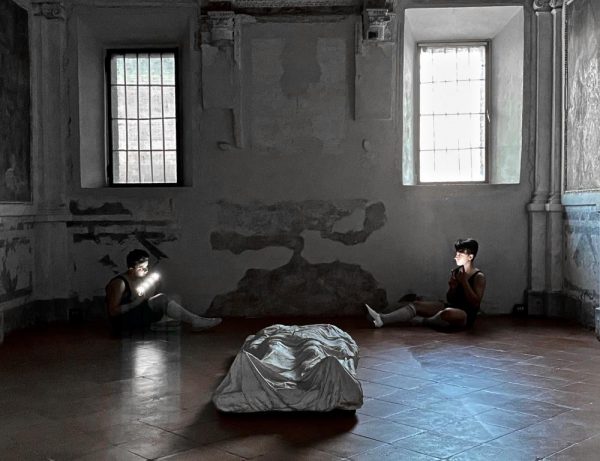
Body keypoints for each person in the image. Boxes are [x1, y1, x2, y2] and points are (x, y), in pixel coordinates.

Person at [366, 238, 486, 331]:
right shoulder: (457, 272)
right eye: (456, 253)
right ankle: (382, 318)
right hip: (451, 306)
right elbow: (450, 299)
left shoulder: (479, 276)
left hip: (465, 314)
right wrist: (452, 287)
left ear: (470, 257)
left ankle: (424, 321)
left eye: (460, 254)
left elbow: (475, 303)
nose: (456, 257)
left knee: (448, 313)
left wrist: (464, 282)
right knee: (417, 304)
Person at [106, 249, 222, 336]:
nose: (146, 270)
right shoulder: (120, 283)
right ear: (131, 269)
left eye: (147, 267)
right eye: (141, 268)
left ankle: (195, 322)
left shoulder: (139, 278)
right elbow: (113, 311)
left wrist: (152, 288)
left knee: (172, 311)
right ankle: (196, 321)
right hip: (122, 323)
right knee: (162, 299)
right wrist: (137, 302)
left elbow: (144, 300)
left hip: (136, 315)